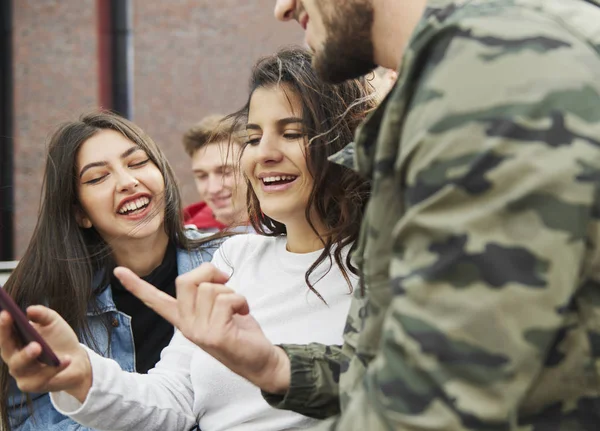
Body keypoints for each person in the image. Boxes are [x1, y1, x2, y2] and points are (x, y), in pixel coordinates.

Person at [88, 0, 600, 429]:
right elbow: (390, 375)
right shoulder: (477, 66)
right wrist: (274, 366)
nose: (283, 7)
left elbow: (437, 399)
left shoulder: (492, 80)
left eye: (292, 133)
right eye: (253, 136)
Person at [0, 48, 377, 431]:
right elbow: (176, 398)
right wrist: (84, 377)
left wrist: (273, 366)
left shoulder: (389, 264)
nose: (263, 154)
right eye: (253, 136)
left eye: (292, 133)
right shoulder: (235, 257)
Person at [0, 111, 220, 430]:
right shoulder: (45, 300)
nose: (128, 182)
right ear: (79, 213)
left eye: (137, 162)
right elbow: (32, 421)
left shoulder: (226, 260)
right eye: (97, 178)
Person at [182, 114, 250, 232]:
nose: (213, 189)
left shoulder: (286, 230)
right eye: (202, 176)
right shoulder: (181, 238)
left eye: (225, 173)